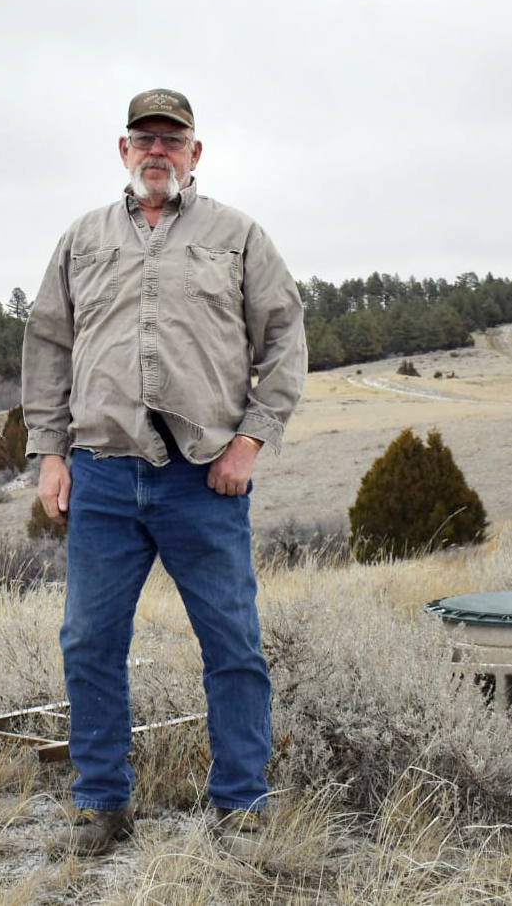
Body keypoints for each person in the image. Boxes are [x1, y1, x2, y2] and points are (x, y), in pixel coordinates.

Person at [21, 87, 308, 857]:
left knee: (233, 645)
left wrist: (250, 441)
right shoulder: (82, 239)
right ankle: (100, 803)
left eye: (171, 139)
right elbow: (48, 345)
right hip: (103, 477)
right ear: (123, 151)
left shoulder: (237, 236)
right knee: (88, 641)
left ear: (195, 153)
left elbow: (283, 336)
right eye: (143, 138)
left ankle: (241, 804)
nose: (157, 151)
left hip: (204, 478)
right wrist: (50, 454)